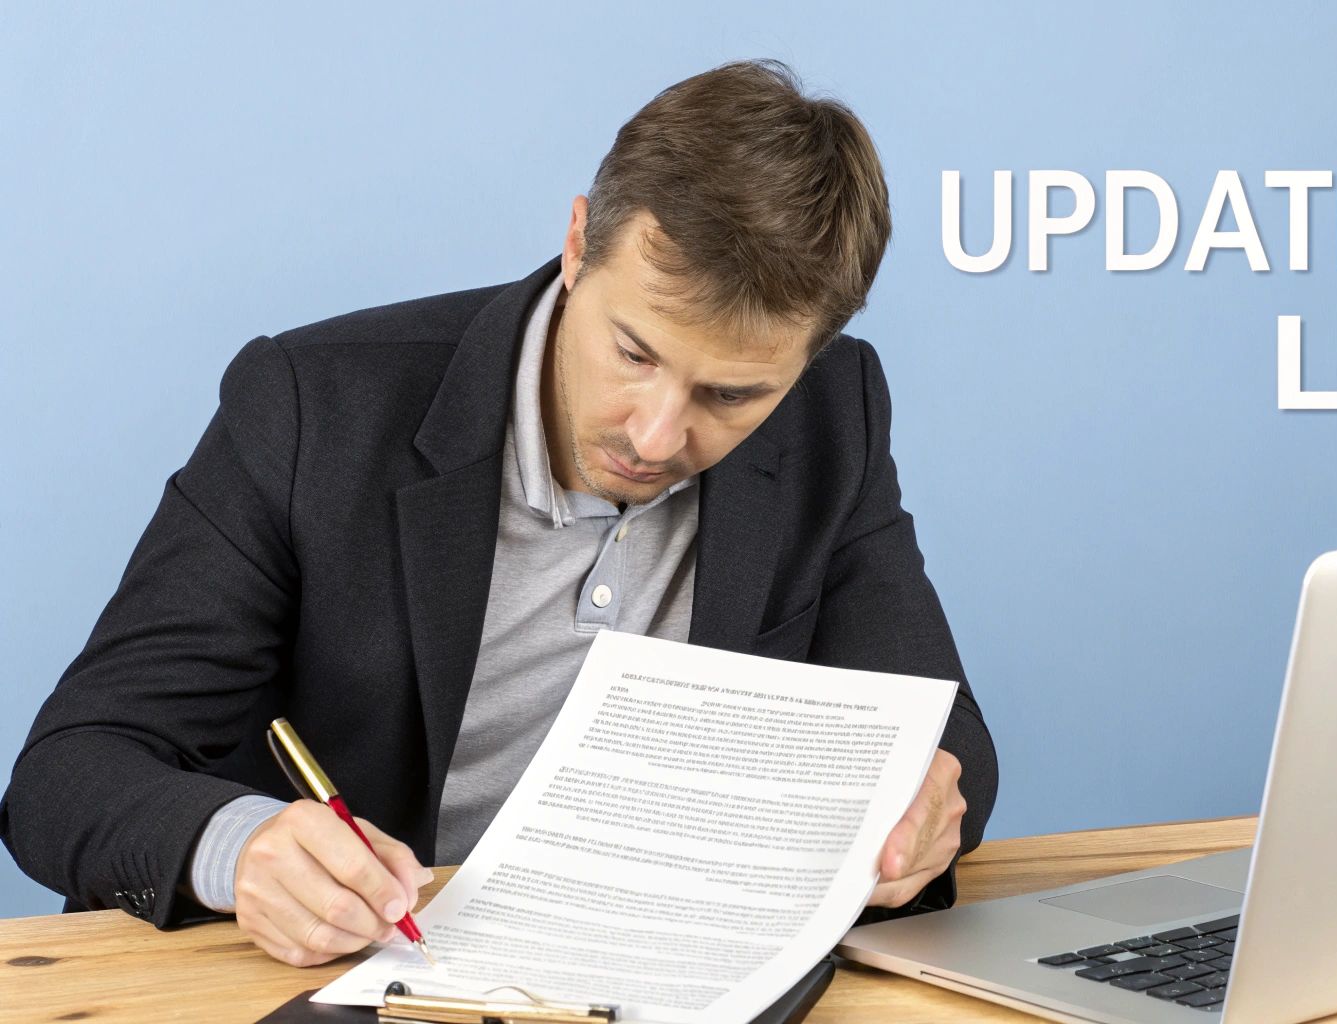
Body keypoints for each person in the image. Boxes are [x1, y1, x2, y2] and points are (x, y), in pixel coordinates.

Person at [0, 59, 997, 968]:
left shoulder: (834, 410)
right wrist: (242, 848)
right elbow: (68, 770)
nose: (653, 437)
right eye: (634, 353)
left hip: (665, 977)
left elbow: (941, 725)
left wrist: (925, 803)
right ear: (576, 246)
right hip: (371, 977)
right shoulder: (313, 408)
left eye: (728, 396)